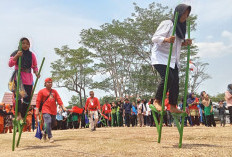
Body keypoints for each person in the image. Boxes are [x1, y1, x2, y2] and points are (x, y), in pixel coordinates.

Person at [151, 4, 192, 113]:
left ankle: (173, 106)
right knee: (168, 77)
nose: (185, 16)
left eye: (187, 15)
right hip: (160, 57)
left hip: (173, 60)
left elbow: (177, 45)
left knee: (175, 82)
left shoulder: (181, 28)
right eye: (184, 13)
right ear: (178, 13)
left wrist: (185, 43)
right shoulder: (168, 23)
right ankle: (157, 101)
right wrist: (166, 39)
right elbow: (154, 38)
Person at [9, 37, 40, 120]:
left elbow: (35, 66)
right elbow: (10, 64)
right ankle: (18, 114)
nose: (25, 45)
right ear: (20, 44)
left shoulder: (32, 55)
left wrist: (36, 73)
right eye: (23, 43)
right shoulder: (15, 53)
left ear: (29, 45)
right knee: (18, 97)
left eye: (27, 43)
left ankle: (22, 115)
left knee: (27, 99)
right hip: (18, 78)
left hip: (28, 79)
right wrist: (17, 56)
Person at [35, 78, 67, 143]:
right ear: (45, 83)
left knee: (52, 123)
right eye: (48, 82)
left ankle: (44, 132)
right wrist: (37, 109)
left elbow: (58, 99)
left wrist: (63, 106)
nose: (50, 83)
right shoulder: (41, 91)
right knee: (48, 122)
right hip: (45, 109)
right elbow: (38, 101)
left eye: (51, 82)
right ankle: (50, 137)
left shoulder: (54, 91)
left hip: (53, 110)